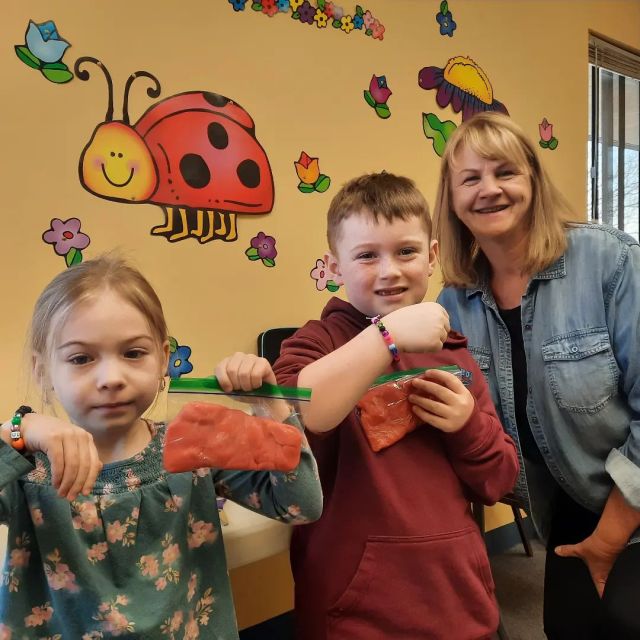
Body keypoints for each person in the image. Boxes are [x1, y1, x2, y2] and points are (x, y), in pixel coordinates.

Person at [0, 255, 322, 639]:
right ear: (43, 371)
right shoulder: (28, 466)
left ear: (164, 359)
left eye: (133, 353)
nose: (111, 377)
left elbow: (301, 504)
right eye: (81, 358)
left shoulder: (191, 447)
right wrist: (19, 429)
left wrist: (269, 404)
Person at [274, 172, 519, 640]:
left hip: (458, 601)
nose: (389, 271)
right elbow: (297, 417)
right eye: (367, 255)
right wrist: (385, 337)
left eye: (406, 251)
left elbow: (500, 480)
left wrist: (468, 425)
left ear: (431, 257)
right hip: (355, 615)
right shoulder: (317, 344)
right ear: (335, 267)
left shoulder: (454, 353)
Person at [433, 111, 640, 640]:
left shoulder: (609, 260)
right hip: (564, 511)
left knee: (623, 621)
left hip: (633, 504)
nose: (489, 189)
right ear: (452, 200)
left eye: (505, 172)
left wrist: (609, 540)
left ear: (533, 180)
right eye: (470, 179)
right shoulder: (454, 304)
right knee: (565, 628)